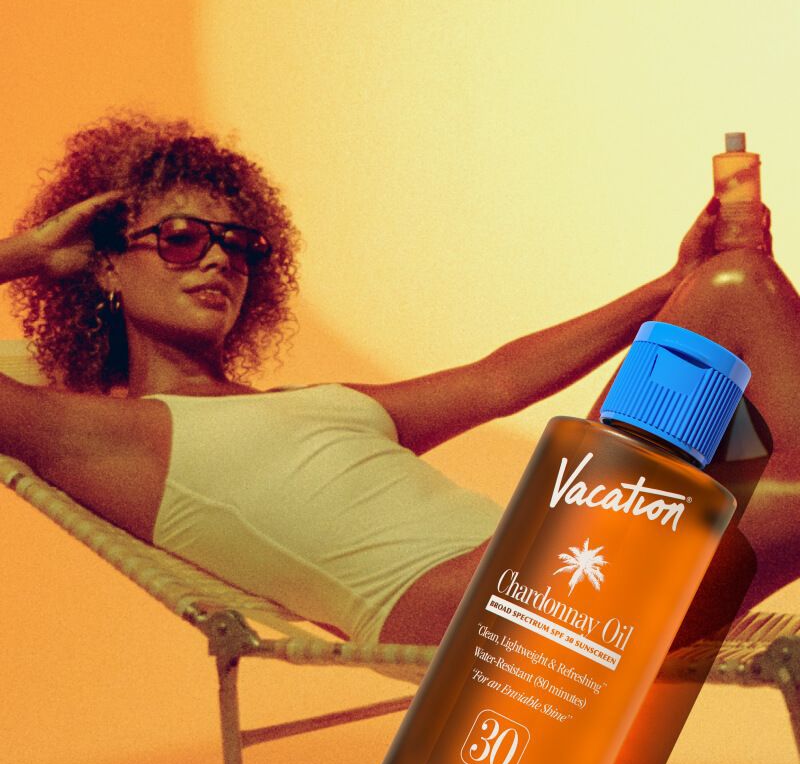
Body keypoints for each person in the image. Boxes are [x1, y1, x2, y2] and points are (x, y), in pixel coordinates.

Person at [0, 114, 796, 647]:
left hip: (548, 569)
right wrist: (28, 252)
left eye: (241, 245)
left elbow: (498, 378)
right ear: (104, 261)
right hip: (487, 628)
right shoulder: (105, 435)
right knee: (741, 312)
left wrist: (672, 282)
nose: (218, 258)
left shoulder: (315, 407)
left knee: (731, 284)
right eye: (179, 238)